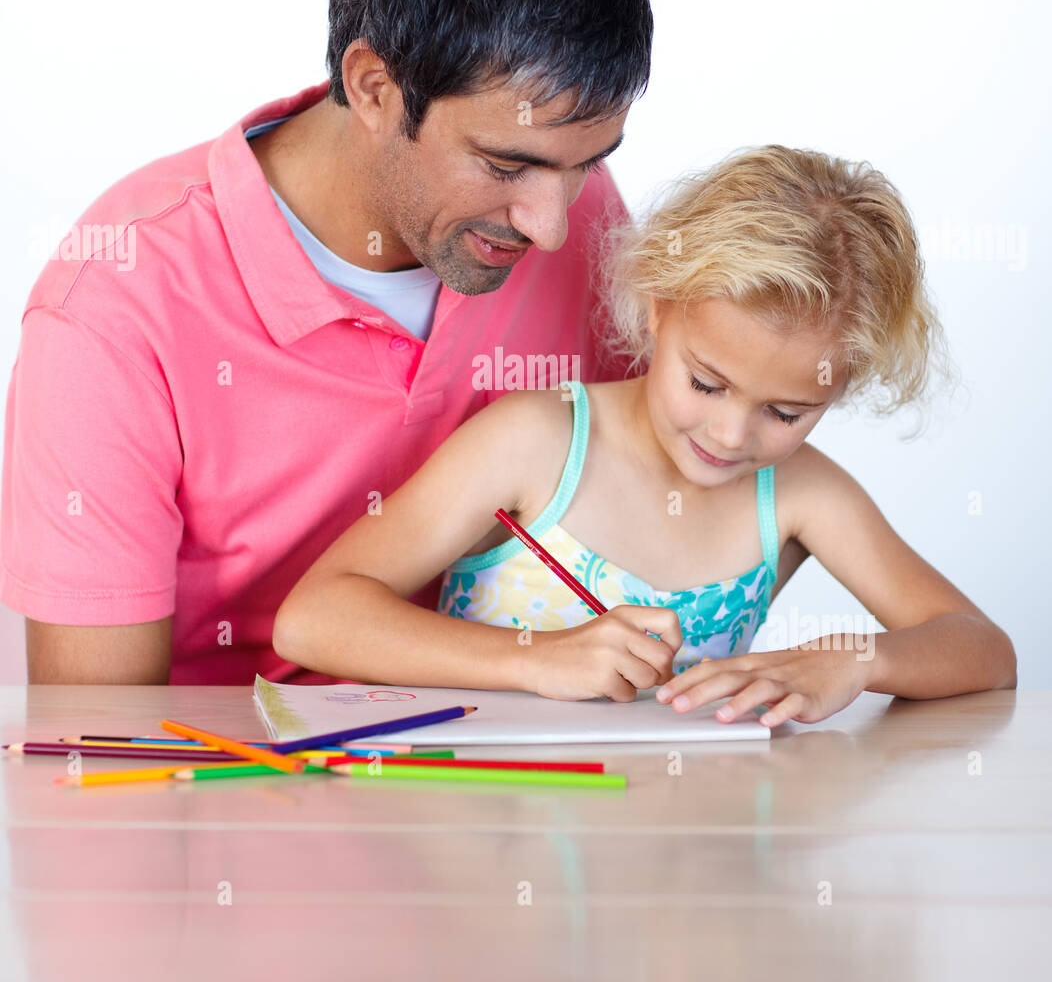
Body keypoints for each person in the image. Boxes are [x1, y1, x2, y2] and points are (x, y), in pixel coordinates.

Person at [0, 0, 652, 685]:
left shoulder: (577, 219)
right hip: (225, 794)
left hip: (512, 784)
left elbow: (690, 484)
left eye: (587, 162)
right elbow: (101, 743)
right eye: (504, 165)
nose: (555, 228)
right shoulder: (118, 301)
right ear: (374, 87)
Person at [272, 145, 1016, 725]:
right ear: (658, 307)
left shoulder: (799, 493)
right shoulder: (533, 442)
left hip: (679, 868)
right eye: (706, 382)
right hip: (487, 861)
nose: (730, 434)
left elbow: (981, 648)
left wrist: (854, 660)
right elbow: (315, 621)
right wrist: (538, 659)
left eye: (785, 413)